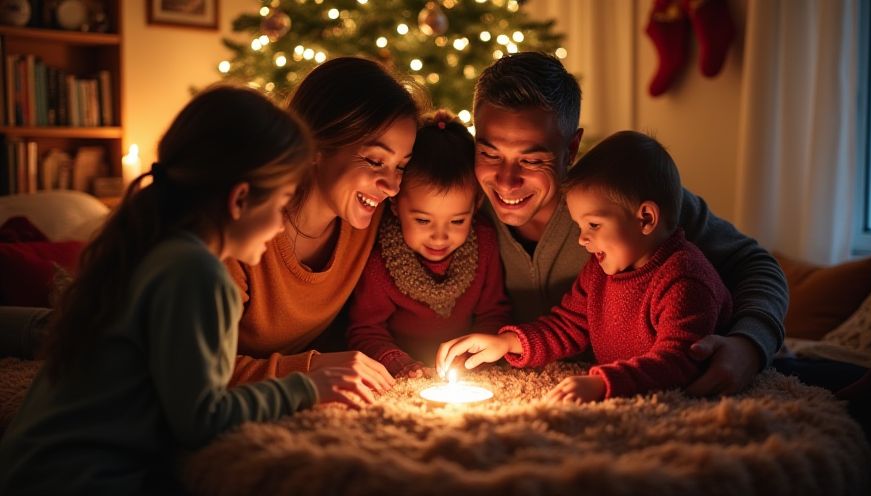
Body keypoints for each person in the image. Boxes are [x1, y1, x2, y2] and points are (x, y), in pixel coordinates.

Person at [0, 86, 375, 495]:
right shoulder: (196, 272)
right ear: (241, 199)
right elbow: (202, 419)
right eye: (283, 202)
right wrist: (310, 386)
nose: (281, 225)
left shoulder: (153, 250)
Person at [468, 52, 788, 396]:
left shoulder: (623, 201)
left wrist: (750, 344)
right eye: (489, 154)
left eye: (532, 159)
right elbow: (566, 323)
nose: (506, 180)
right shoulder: (458, 211)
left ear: (571, 148)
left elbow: (755, 265)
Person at [437, 131, 732, 402]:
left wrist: (604, 383)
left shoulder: (684, 278)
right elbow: (568, 325)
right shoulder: (599, 272)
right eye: (580, 225)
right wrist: (506, 342)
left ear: (645, 218)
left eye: (593, 224)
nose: (582, 239)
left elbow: (679, 361)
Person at [225, 57, 421, 390]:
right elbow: (195, 374)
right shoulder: (241, 230)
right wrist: (313, 368)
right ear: (315, 145)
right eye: (375, 161)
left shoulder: (371, 220)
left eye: (401, 166)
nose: (391, 187)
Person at [346, 111, 510, 378]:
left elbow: (494, 313)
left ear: (476, 206)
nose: (439, 236)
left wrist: (472, 357)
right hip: (405, 371)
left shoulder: (484, 242)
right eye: (423, 220)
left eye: (457, 221)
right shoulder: (381, 260)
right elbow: (365, 330)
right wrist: (399, 362)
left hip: (462, 369)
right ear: (396, 205)